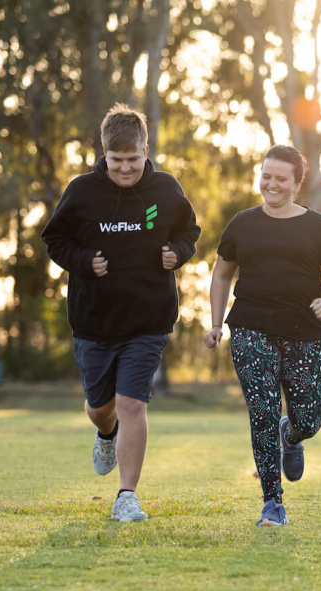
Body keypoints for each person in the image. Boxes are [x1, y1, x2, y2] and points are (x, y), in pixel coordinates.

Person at [42, 104, 200, 522]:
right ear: (104, 153)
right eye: (117, 161)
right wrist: (83, 261)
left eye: (133, 160)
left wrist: (177, 253)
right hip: (94, 320)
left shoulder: (165, 189)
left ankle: (126, 495)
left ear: (146, 149)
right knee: (101, 406)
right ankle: (104, 432)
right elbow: (54, 240)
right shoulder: (81, 191)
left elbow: (190, 231)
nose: (126, 169)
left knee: (132, 403)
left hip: (148, 319)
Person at [204, 145, 321, 527]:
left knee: (309, 419)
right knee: (263, 413)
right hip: (251, 329)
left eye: (280, 178)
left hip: (307, 332)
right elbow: (221, 275)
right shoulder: (242, 223)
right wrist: (217, 323)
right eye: (266, 176)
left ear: (296, 184)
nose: (271, 184)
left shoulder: (317, 226)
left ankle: (294, 435)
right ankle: (272, 502)